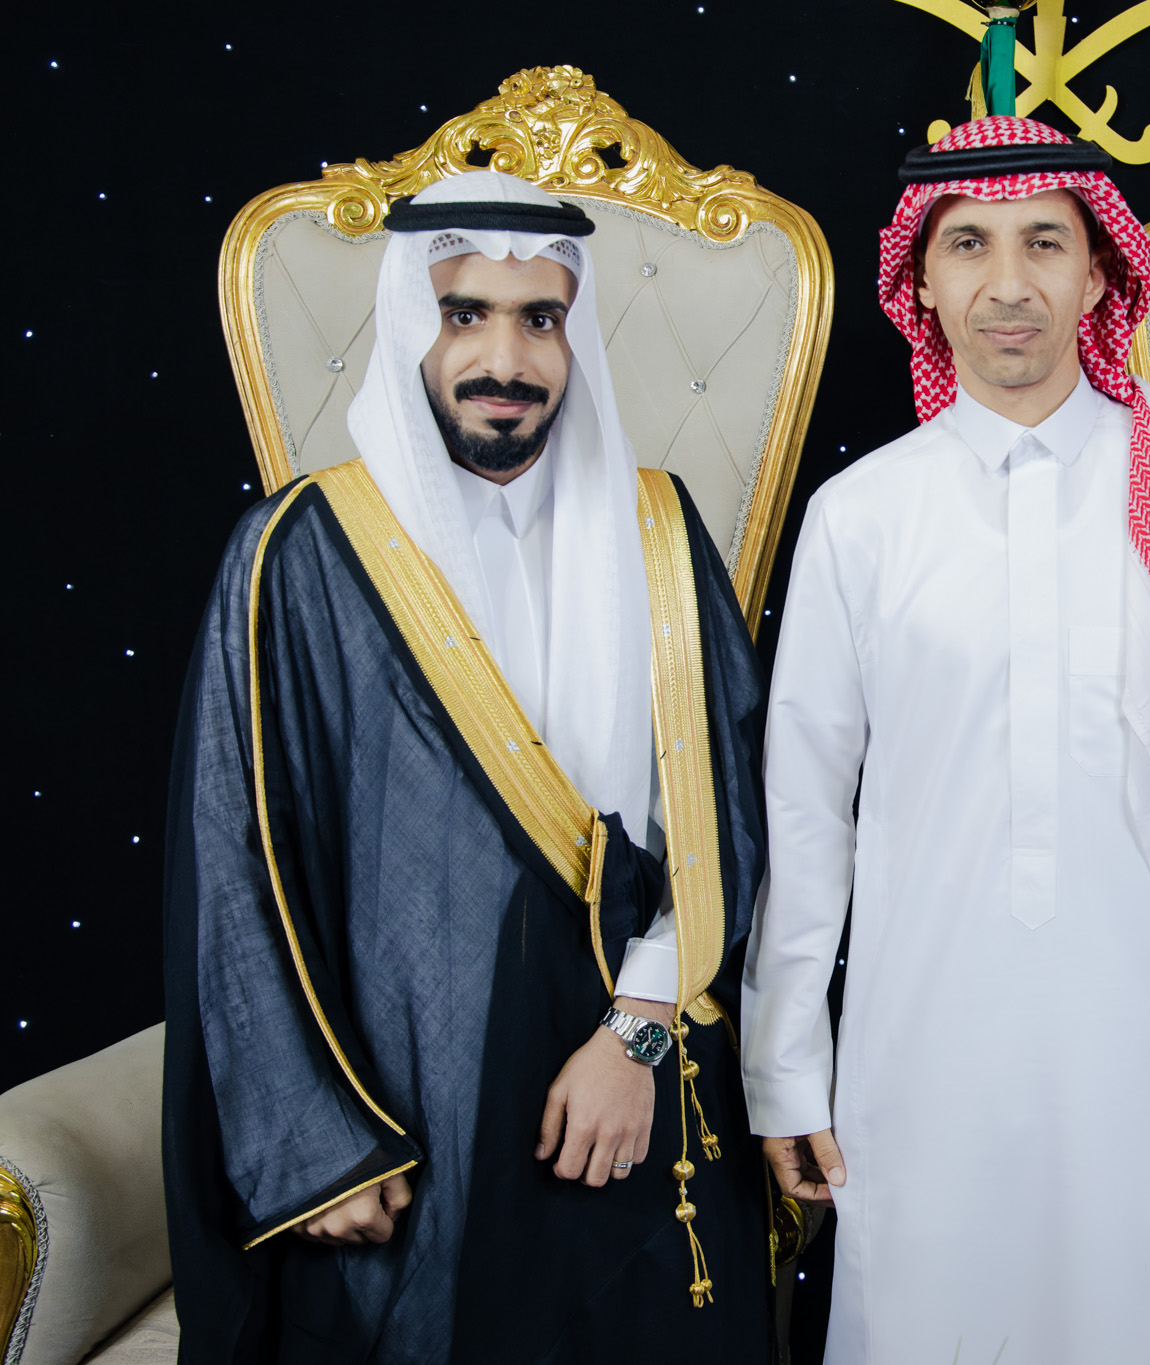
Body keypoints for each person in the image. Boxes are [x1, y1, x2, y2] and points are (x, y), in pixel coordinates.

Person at [162, 170, 773, 1361]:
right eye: (464, 315)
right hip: (406, 1123)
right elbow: (233, 866)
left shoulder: (658, 531)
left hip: (632, 1092)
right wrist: (320, 1147)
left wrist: (637, 1036)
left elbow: (728, 820)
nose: (506, 358)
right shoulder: (299, 551)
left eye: (540, 318)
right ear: (412, 326)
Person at [741, 117, 1150, 1363]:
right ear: (919, 281)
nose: (1007, 285)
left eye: (1044, 243)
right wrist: (783, 1064)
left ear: (1099, 273)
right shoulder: (860, 515)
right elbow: (803, 814)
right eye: (969, 246)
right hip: (922, 1049)